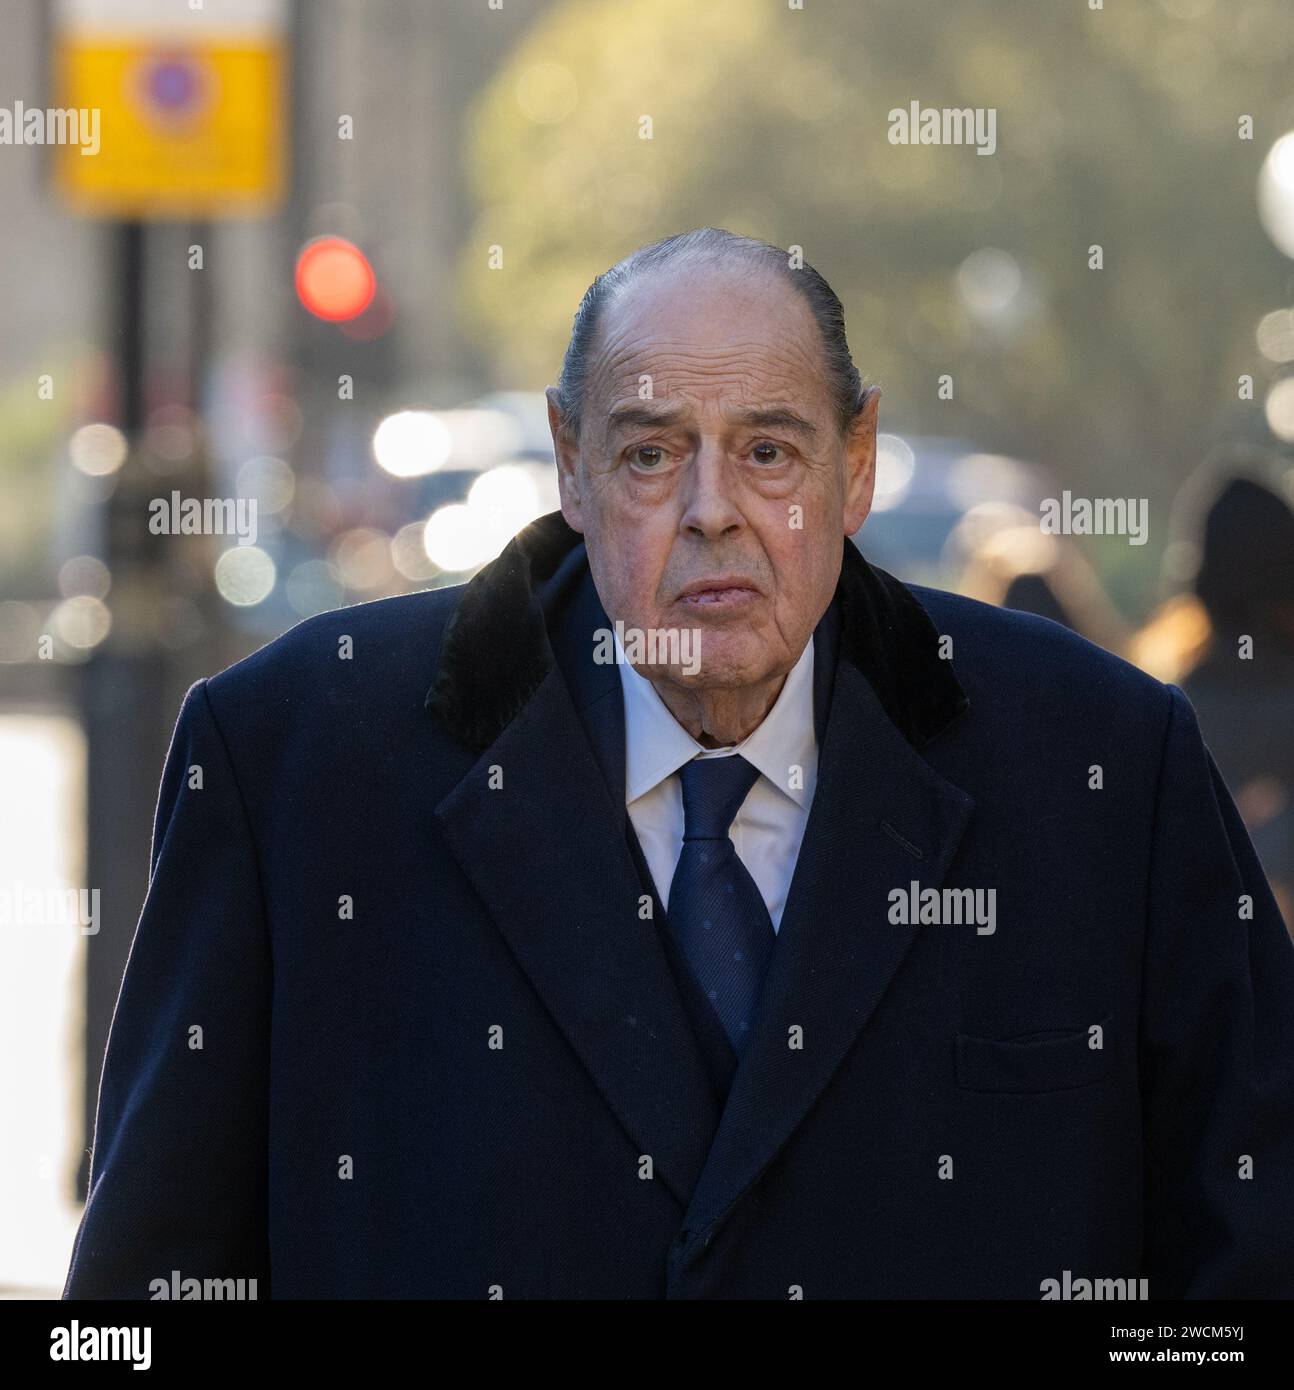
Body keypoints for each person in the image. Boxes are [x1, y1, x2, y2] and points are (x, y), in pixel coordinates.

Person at [64, 229, 1294, 1299]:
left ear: (855, 463)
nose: (712, 510)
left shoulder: (1103, 768)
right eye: (652, 453)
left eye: (769, 451)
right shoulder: (297, 760)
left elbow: (1250, 1246)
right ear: (571, 463)